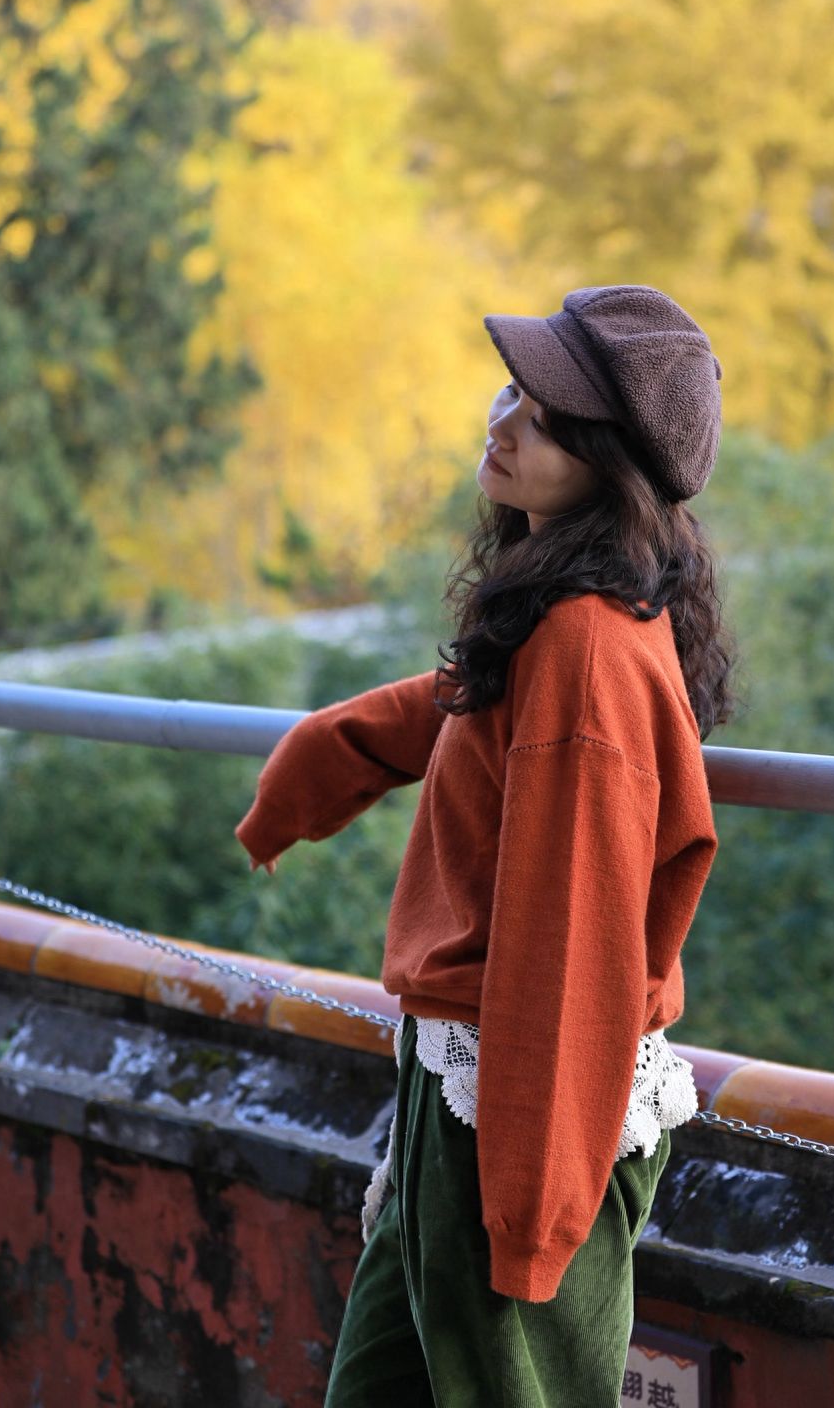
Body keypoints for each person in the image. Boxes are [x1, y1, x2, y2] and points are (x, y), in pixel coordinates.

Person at [234, 283, 738, 1407]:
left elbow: (573, 949)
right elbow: (458, 706)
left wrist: (529, 1218)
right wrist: (310, 774)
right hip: (465, 1091)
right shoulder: (557, 611)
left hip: (521, 1121)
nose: (504, 421)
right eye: (512, 390)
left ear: (607, 467)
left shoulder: (588, 653)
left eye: (545, 420)